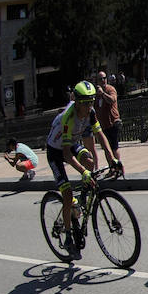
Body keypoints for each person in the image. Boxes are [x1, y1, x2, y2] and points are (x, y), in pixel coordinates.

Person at [45, 80, 122, 232]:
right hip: (55, 151)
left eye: (91, 102)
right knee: (67, 196)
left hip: (71, 143)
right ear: (77, 103)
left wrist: (112, 158)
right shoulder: (68, 118)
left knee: (89, 161)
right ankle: (68, 236)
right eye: (86, 103)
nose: (89, 107)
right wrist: (83, 172)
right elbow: (66, 154)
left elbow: (100, 135)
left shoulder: (91, 112)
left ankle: (82, 198)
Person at [92, 70, 121, 158]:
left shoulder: (110, 89)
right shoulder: (96, 94)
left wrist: (103, 93)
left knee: (114, 147)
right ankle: (111, 166)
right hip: (103, 125)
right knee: (106, 148)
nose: (103, 80)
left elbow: (112, 100)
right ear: (97, 81)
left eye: (104, 78)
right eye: (100, 79)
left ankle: (118, 166)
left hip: (112, 122)